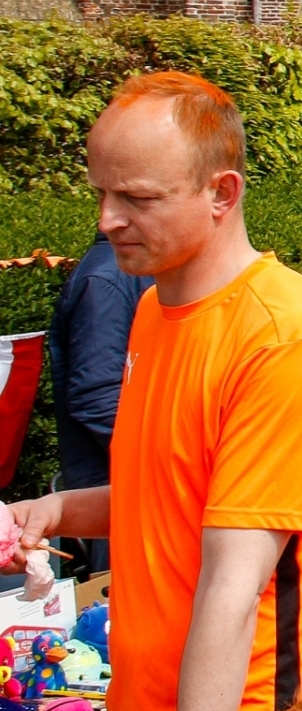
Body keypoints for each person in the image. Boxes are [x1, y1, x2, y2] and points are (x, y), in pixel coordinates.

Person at [3, 72, 302, 711]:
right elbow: (163, 498)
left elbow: (234, 594)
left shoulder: (284, 342)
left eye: (136, 197)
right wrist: (48, 514)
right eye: (100, 192)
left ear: (221, 193)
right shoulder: (159, 311)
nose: (105, 221)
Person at [45, 232, 146, 571]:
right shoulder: (107, 281)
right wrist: (168, 458)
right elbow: (96, 394)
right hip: (117, 494)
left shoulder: (129, 274)